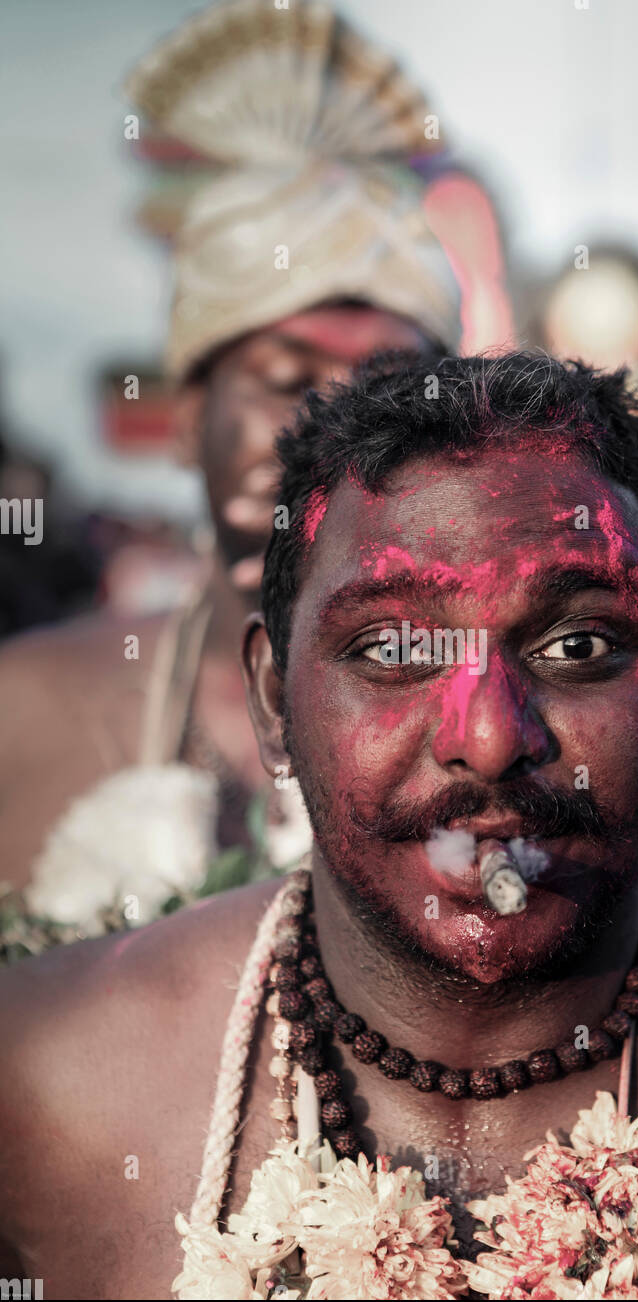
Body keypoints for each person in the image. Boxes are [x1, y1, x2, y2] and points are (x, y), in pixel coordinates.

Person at [1, 352, 638, 1301]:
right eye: (394, 649)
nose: (491, 739)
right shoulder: (42, 1086)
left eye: (578, 645)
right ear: (273, 701)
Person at [0, 0, 461, 910]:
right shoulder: (30, 713)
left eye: (385, 386)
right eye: (286, 379)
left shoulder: (503, 736)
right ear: (185, 420)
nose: (333, 426)